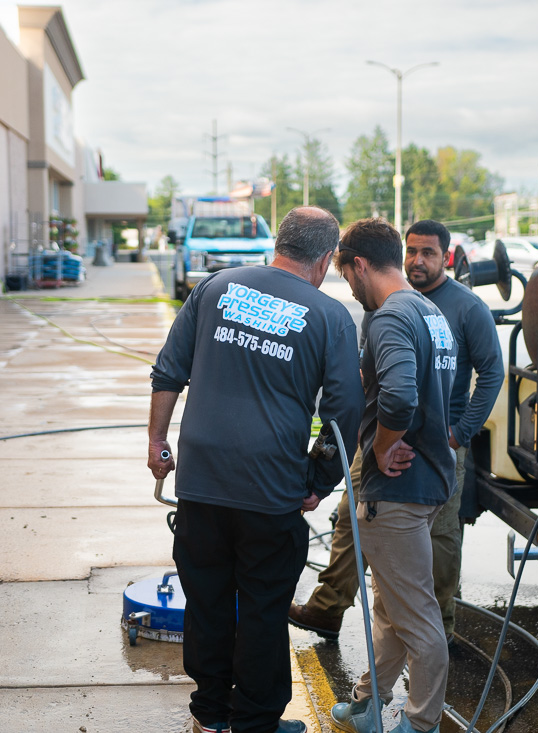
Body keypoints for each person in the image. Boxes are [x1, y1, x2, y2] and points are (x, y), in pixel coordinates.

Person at [148, 206, 364, 733]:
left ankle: (210, 716)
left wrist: (157, 441)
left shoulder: (214, 287)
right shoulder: (330, 315)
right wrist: (319, 481)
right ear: (326, 259)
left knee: (207, 602)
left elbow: (168, 370)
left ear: (279, 242)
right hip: (270, 490)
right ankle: (254, 723)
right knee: (264, 609)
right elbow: (344, 412)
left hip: (200, 483)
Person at [289, 221, 504, 650]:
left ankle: (437, 627)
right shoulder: (379, 303)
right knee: (352, 520)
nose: (418, 260)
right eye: (412, 251)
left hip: (435, 444)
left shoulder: (465, 308)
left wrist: (459, 434)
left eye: (429, 253)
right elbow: (372, 374)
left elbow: (491, 373)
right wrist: (369, 437)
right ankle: (329, 607)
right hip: (380, 437)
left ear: (446, 257)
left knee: (438, 539)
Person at [327, 218, 457, 733]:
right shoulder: (430, 311)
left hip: (398, 492)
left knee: (416, 616)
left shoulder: (388, 318)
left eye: (346, 276)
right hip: (428, 482)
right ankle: (368, 704)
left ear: (360, 265)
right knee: (391, 607)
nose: (349, 288)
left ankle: (420, 723)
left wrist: (381, 449)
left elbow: (401, 396)